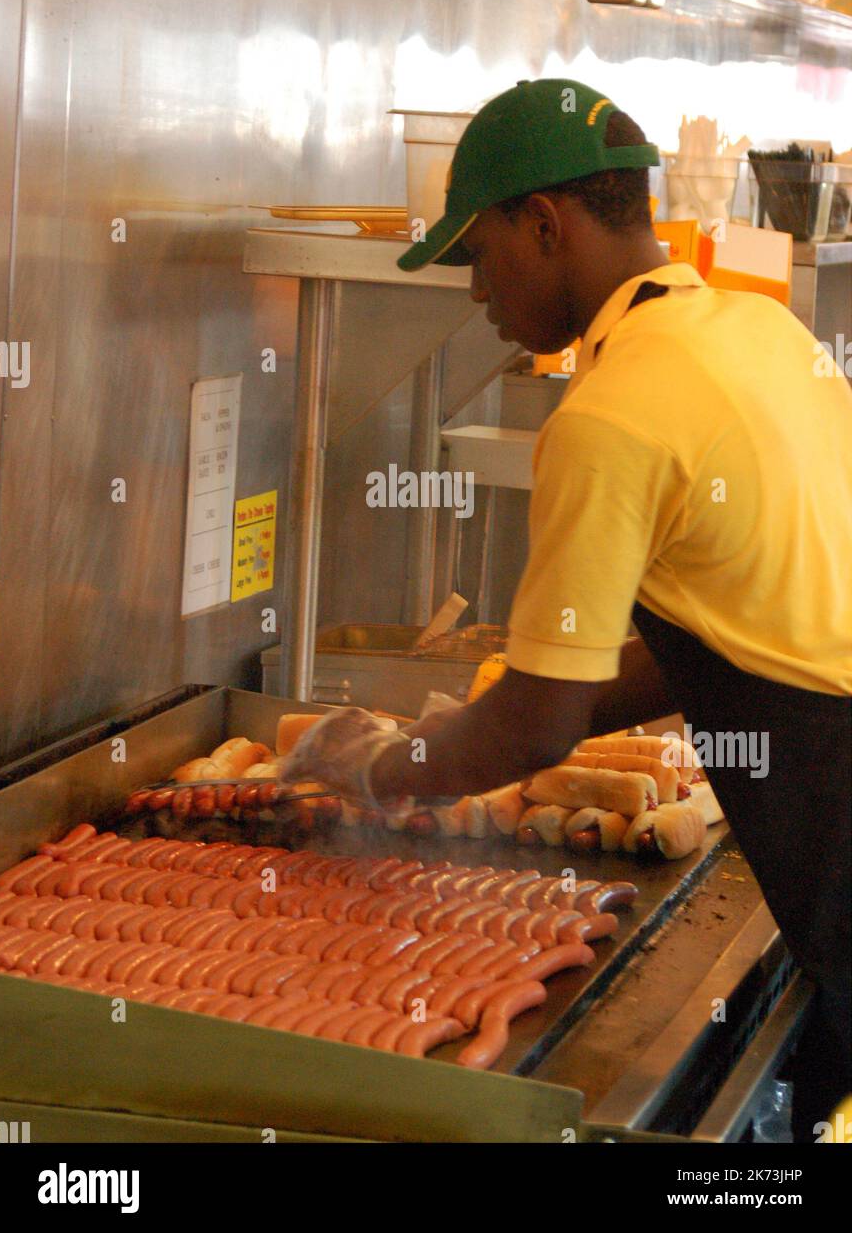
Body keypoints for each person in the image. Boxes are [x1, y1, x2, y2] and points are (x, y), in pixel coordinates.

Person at [281, 78, 852, 1141]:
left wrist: (382, 768)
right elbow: (712, 641)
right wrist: (475, 726)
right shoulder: (757, 333)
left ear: (542, 224)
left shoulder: (609, 412)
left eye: (477, 252)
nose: (474, 289)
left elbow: (539, 720)